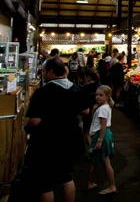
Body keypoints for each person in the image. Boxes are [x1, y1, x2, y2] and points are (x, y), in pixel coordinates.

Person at [24, 56, 88, 202]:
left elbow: (35, 121)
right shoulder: (75, 88)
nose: (43, 75)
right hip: (71, 139)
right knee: (66, 176)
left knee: (45, 182)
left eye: (44, 71)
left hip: (47, 141)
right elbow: (85, 111)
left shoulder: (43, 92)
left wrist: (26, 127)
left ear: (51, 72)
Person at [88, 85, 118, 196]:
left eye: (101, 95)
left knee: (105, 161)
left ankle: (112, 186)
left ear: (107, 96)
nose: (97, 97)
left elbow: (103, 125)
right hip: (101, 135)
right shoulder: (103, 107)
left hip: (101, 135)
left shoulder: (103, 109)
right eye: (96, 95)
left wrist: (100, 140)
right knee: (95, 160)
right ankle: (90, 182)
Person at [81, 71, 100, 148]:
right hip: (99, 111)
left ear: (89, 77)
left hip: (88, 111)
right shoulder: (100, 86)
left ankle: (92, 149)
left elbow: (81, 101)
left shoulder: (84, 88)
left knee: (86, 131)